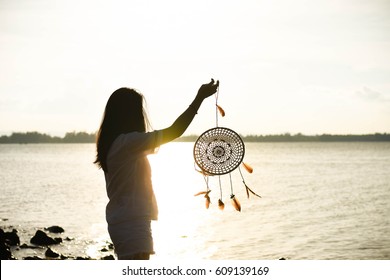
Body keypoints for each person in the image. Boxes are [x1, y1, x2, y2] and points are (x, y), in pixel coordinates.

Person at [94, 79, 219, 260]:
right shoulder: (127, 143)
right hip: (131, 222)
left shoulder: (116, 143)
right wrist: (199, 98)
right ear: (129, 114)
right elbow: (175, 131)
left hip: (125, 220)